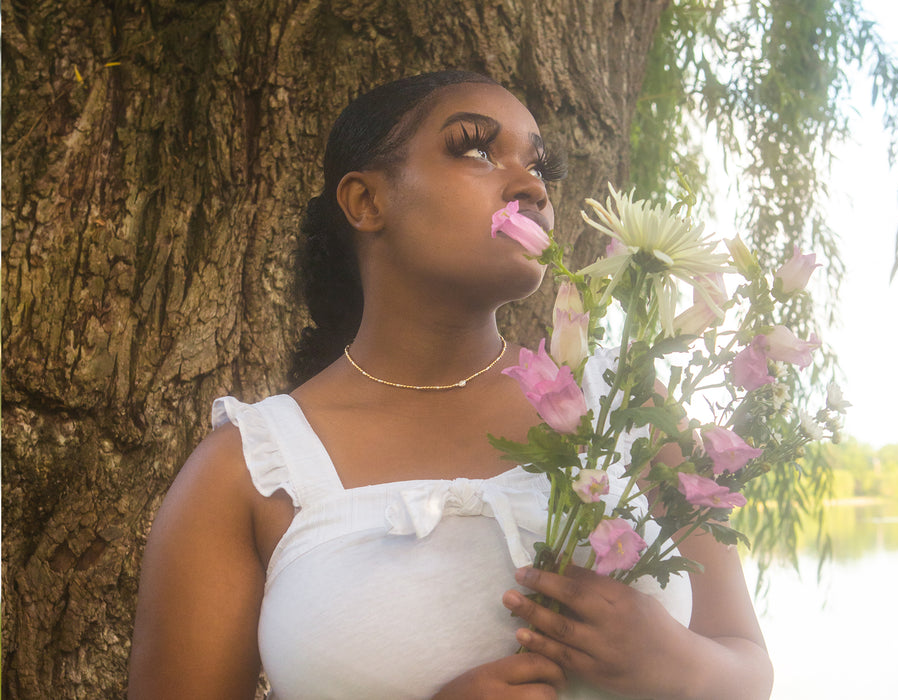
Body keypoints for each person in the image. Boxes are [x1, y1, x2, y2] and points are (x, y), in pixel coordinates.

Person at [129, 70, 773, 700]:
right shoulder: (250, 470)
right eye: (477, 149)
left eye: (543, 167)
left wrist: (679, 664)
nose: (532, 187)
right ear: (366, 202)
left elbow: (749, 669)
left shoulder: (627, 404)